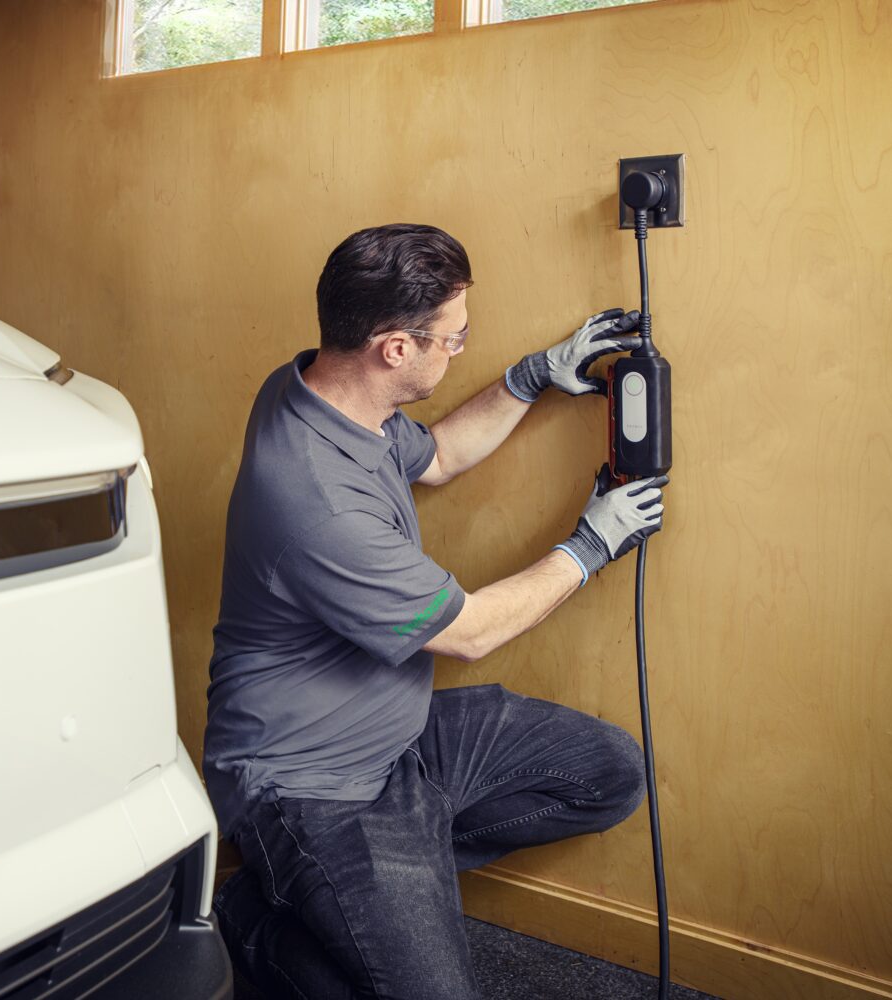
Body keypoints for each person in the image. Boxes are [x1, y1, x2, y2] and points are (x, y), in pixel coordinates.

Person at [203, 223, 668, 999]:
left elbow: (442, 456)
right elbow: (472, 632)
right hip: (312, 785)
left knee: (610, 775)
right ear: (394, 348)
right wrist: (590, 546)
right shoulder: (317, 502)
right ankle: (259, 914)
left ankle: (376, 880)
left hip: (402, 743)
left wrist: (535, 375)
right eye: (454, 340)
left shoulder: (323, 393)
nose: (459, 350)